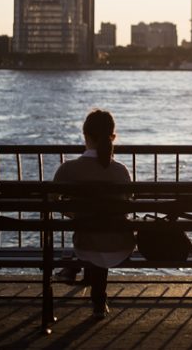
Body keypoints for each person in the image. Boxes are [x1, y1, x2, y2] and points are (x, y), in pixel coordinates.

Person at [53, 109, 135, 319]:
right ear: (113, 137)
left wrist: (75, 213)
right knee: (103, 229)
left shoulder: (68, 170)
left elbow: (52, 202)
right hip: (119, 247)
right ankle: (99, 299)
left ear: (85, 136)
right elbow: (126, 205)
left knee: (89, 233)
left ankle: (75, 272)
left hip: (86, 245)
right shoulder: (121, 171)